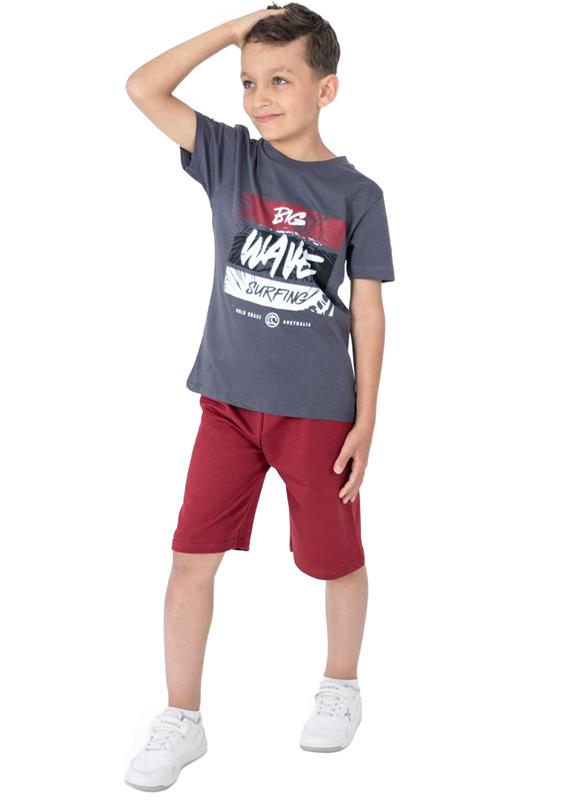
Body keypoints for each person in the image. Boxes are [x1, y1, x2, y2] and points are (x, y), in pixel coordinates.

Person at [124, 3, 395, 790]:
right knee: (189, 560)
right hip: (227, 405)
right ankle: (182, 717)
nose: (260, 97)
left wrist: (366, 421)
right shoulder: (229, 160)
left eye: (281, 80)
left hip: (318, 412)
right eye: (248, 82)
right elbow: (143, 87)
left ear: (326, 89)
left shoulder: (358, 194)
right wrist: (231, 31)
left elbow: (368, 311)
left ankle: (341, 685)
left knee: (335, 558)